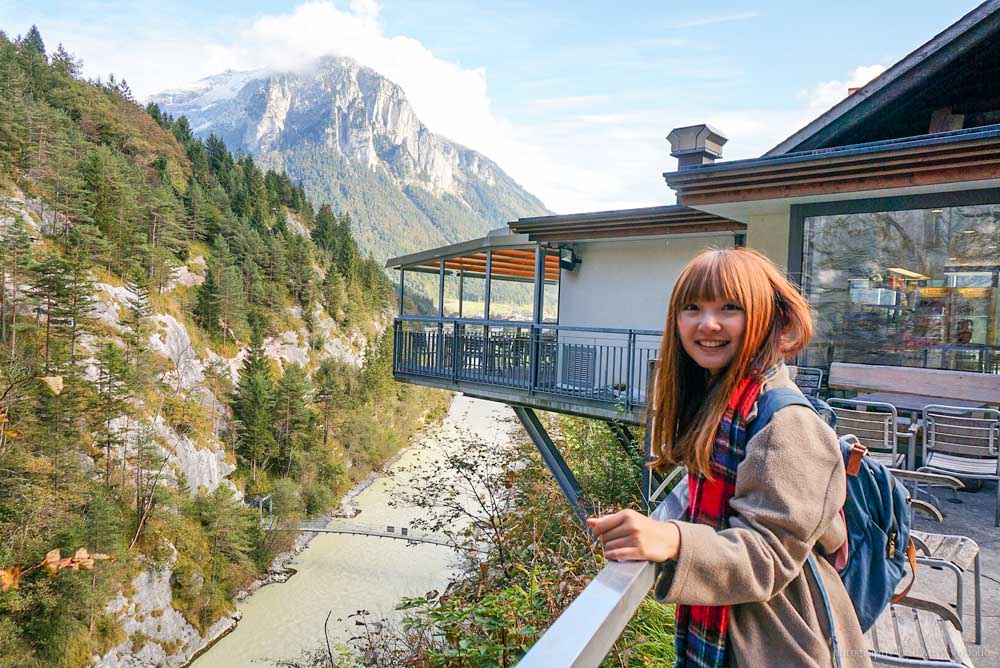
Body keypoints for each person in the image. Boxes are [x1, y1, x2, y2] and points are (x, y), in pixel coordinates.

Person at [588, 248, 869, 667]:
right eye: (693, 308)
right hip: (743, 631)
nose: (708, 324)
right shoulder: (724, 401)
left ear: (767, 317)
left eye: (729, 308)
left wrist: (673, 539)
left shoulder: (787, 422)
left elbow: (768, 556)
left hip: (783, 641)